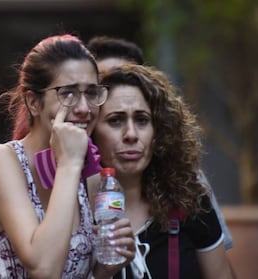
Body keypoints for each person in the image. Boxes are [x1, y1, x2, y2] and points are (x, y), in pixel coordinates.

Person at [0, 34, 135, 279]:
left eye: (91, 93)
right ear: (33, 102)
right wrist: (69, 163)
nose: (84, 108)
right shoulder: (1, 161)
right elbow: (44, 268)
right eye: (68, 94)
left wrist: (106, 269)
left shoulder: (90, 177)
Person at [87, 35, 233, 251]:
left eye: (142, 120)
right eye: (115, 120)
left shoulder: (186, 191)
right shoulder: (71, 202)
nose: (131, 134)